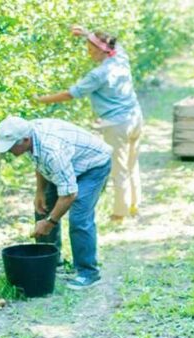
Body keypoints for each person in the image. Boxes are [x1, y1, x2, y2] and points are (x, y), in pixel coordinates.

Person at [0, 116, 112, 290]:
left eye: (11, 147)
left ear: (25, 140)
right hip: (68, 165)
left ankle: (88, 272)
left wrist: (50, 222)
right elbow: (40, 163)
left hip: (92, 166)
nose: (8, 151)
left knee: (79, 218)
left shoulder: (51, 150)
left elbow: (70, 194)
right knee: (43, 207)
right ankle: (51, 261)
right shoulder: (30, 137)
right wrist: (39, 192)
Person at [37, 25, 143, 224]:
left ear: (101, 49)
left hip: (117, 123)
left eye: (90, 48)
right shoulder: (120, 58)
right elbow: (115, 44)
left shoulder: (99, 74)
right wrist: (87, 34)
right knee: (132, 163)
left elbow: (71, 94)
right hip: (135, 117)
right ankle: (134, 205)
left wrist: (41, 100)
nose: (88, 52)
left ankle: (119, 214)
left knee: (118, 168)